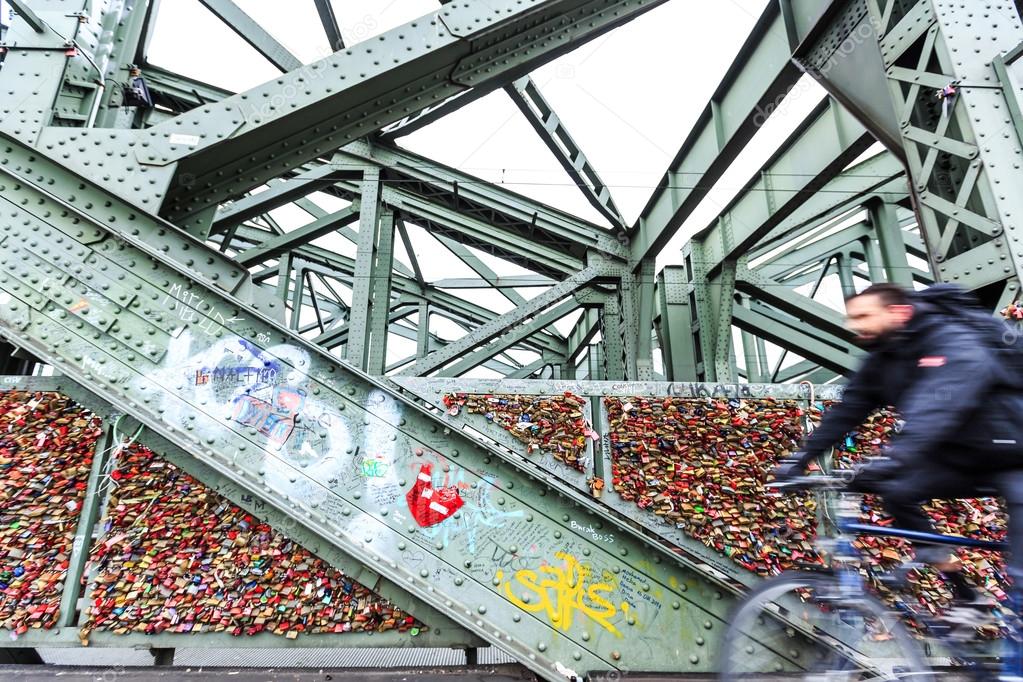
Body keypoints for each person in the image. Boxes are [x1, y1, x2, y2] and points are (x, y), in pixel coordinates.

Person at [772, 283, 1023, 678]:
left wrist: (897, 455)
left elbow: (940, 402)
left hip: (1013, 454)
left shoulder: (951, 338)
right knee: (897, 490)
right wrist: (799, 460)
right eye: (851, 318)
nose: (854, 326)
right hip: (964, 459)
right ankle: (966, 593)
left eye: (863, 317)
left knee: (1022, 575)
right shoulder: (884, 359)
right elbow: (849, 410)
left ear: (900, 313)